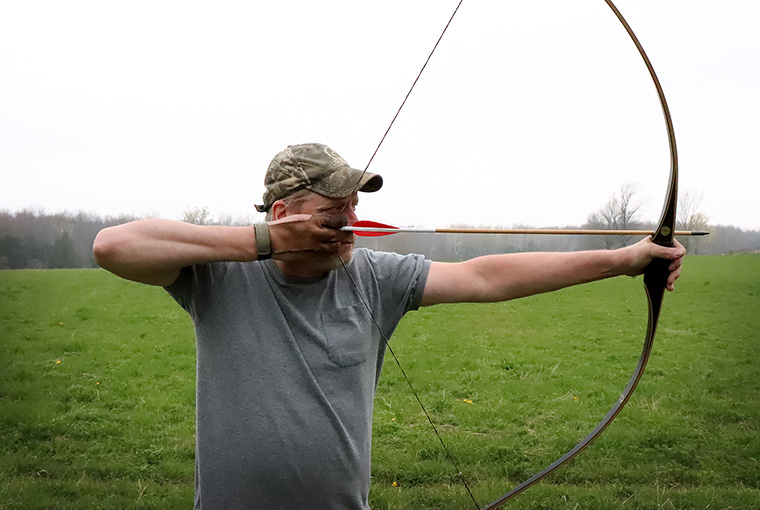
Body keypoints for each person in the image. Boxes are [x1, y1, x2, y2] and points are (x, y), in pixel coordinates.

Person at [93, 142, 685, 510]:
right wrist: (265, 244)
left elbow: (486, 277)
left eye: (354, 206)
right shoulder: (218, 277)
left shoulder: (378, 276)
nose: (353, 221)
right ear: (282, 215)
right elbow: (114, 246)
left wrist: (623, 260)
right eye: (334, 211)